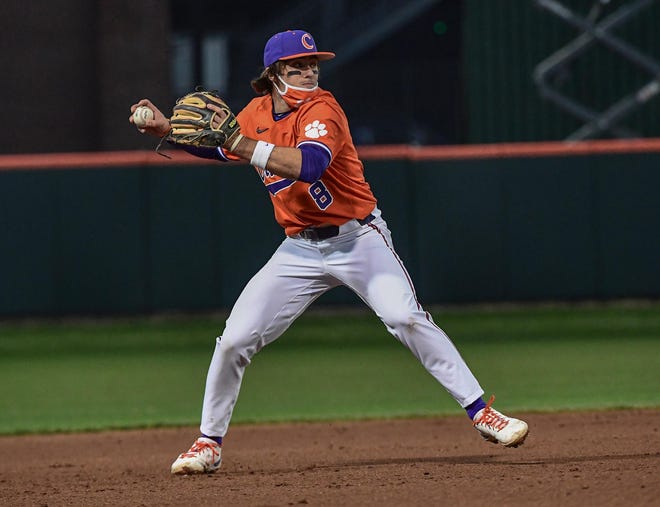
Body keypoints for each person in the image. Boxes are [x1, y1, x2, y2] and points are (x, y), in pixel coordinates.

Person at [129, 30, 529, 475]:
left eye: (313, 64)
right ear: (274, 75)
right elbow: (223, 148)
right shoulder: (256, 113)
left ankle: (482, 412)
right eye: (297, 66)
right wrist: (167, 129)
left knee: (404, 316)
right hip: (298, 249)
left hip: (358, 240)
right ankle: (208, 443)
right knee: (235, 340)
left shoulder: (323, 108)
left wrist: (241, 144)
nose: (308, 72)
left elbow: (309, 164)